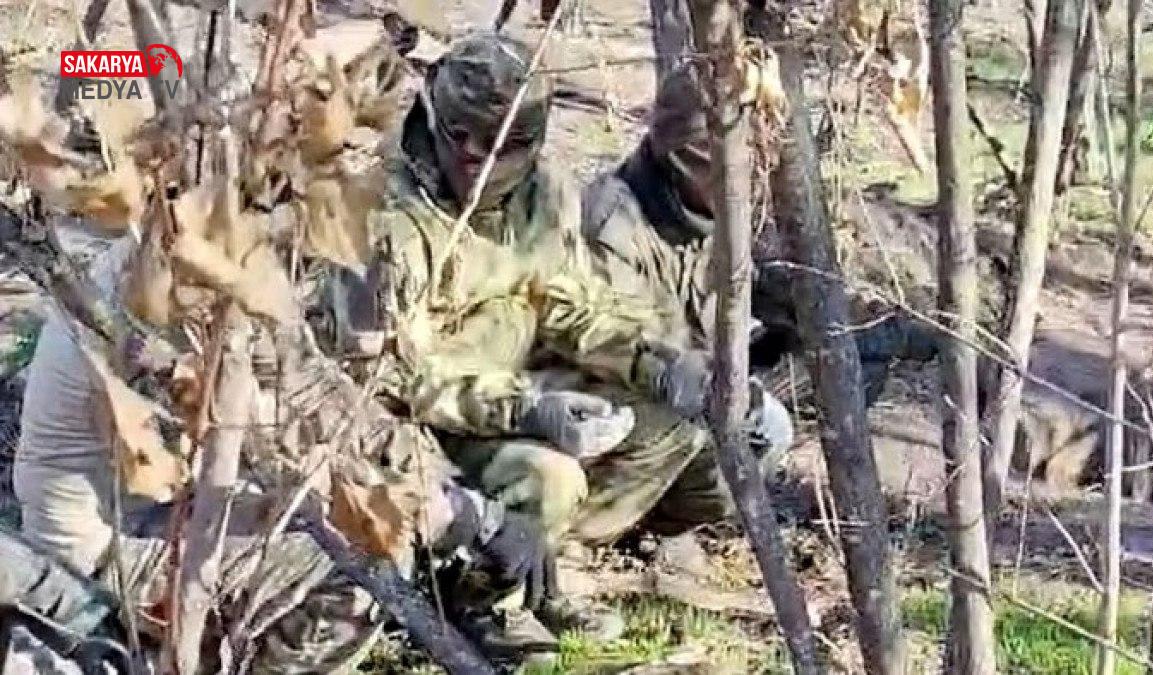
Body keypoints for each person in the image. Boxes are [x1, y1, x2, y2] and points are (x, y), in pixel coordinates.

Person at [327, 30, 793, 657]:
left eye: (510, 145)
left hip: (506, 393)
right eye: (464, 138)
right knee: (550, 477)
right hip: (409, 432)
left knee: (672, 421)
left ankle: (547, 560)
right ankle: (479, 597)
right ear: (433, 117)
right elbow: (383, 381)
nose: (481, 161)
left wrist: (656, 363)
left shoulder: (544, 194)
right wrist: (527, 410)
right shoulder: (382, 219)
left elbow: (573, 306)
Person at [14, 233, 551, 672]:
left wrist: (459, 497)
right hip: (106, 548)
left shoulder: (220, 253)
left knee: (369, 513)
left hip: (168, 501)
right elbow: (275, 441)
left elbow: (320, 395)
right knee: (363, 555)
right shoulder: (168, 288)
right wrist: (450, 514)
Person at [581, 64, 938, 407]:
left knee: (855, 356)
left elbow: (770, 286)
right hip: (649, 395)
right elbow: (636, 361)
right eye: (740, 160)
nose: (755, 173)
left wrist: (888, 332)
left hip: (713, 366)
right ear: (685, 160)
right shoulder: (612, 228)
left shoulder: (716, 210)